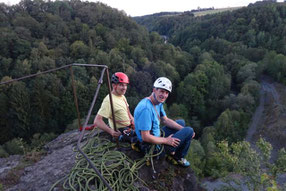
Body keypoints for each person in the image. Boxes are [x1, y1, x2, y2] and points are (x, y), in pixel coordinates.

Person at [134, 77, 195, 167]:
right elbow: (145, 137)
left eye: (166, 93)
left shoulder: (158, 103)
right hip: (152, 147)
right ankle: (178, 157)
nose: (164, 95)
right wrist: (166, 141)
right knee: (189, 131)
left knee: (181, 123)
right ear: (154, 90)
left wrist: (182, 129)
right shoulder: (146, 109)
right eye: (162, 91)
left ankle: (174, 151)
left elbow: (165, 120)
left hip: (156, 136)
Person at [94, 72, 134, 140]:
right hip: (121, 130)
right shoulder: (109, 100)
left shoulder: (122, 96)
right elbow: (97, 121)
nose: (124, 88)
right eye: (121, 85)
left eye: (125, 85)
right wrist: (111, 131)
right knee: (141, 139)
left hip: (129, 126)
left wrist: (133, 121)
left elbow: (128, 112)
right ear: (114, 85)